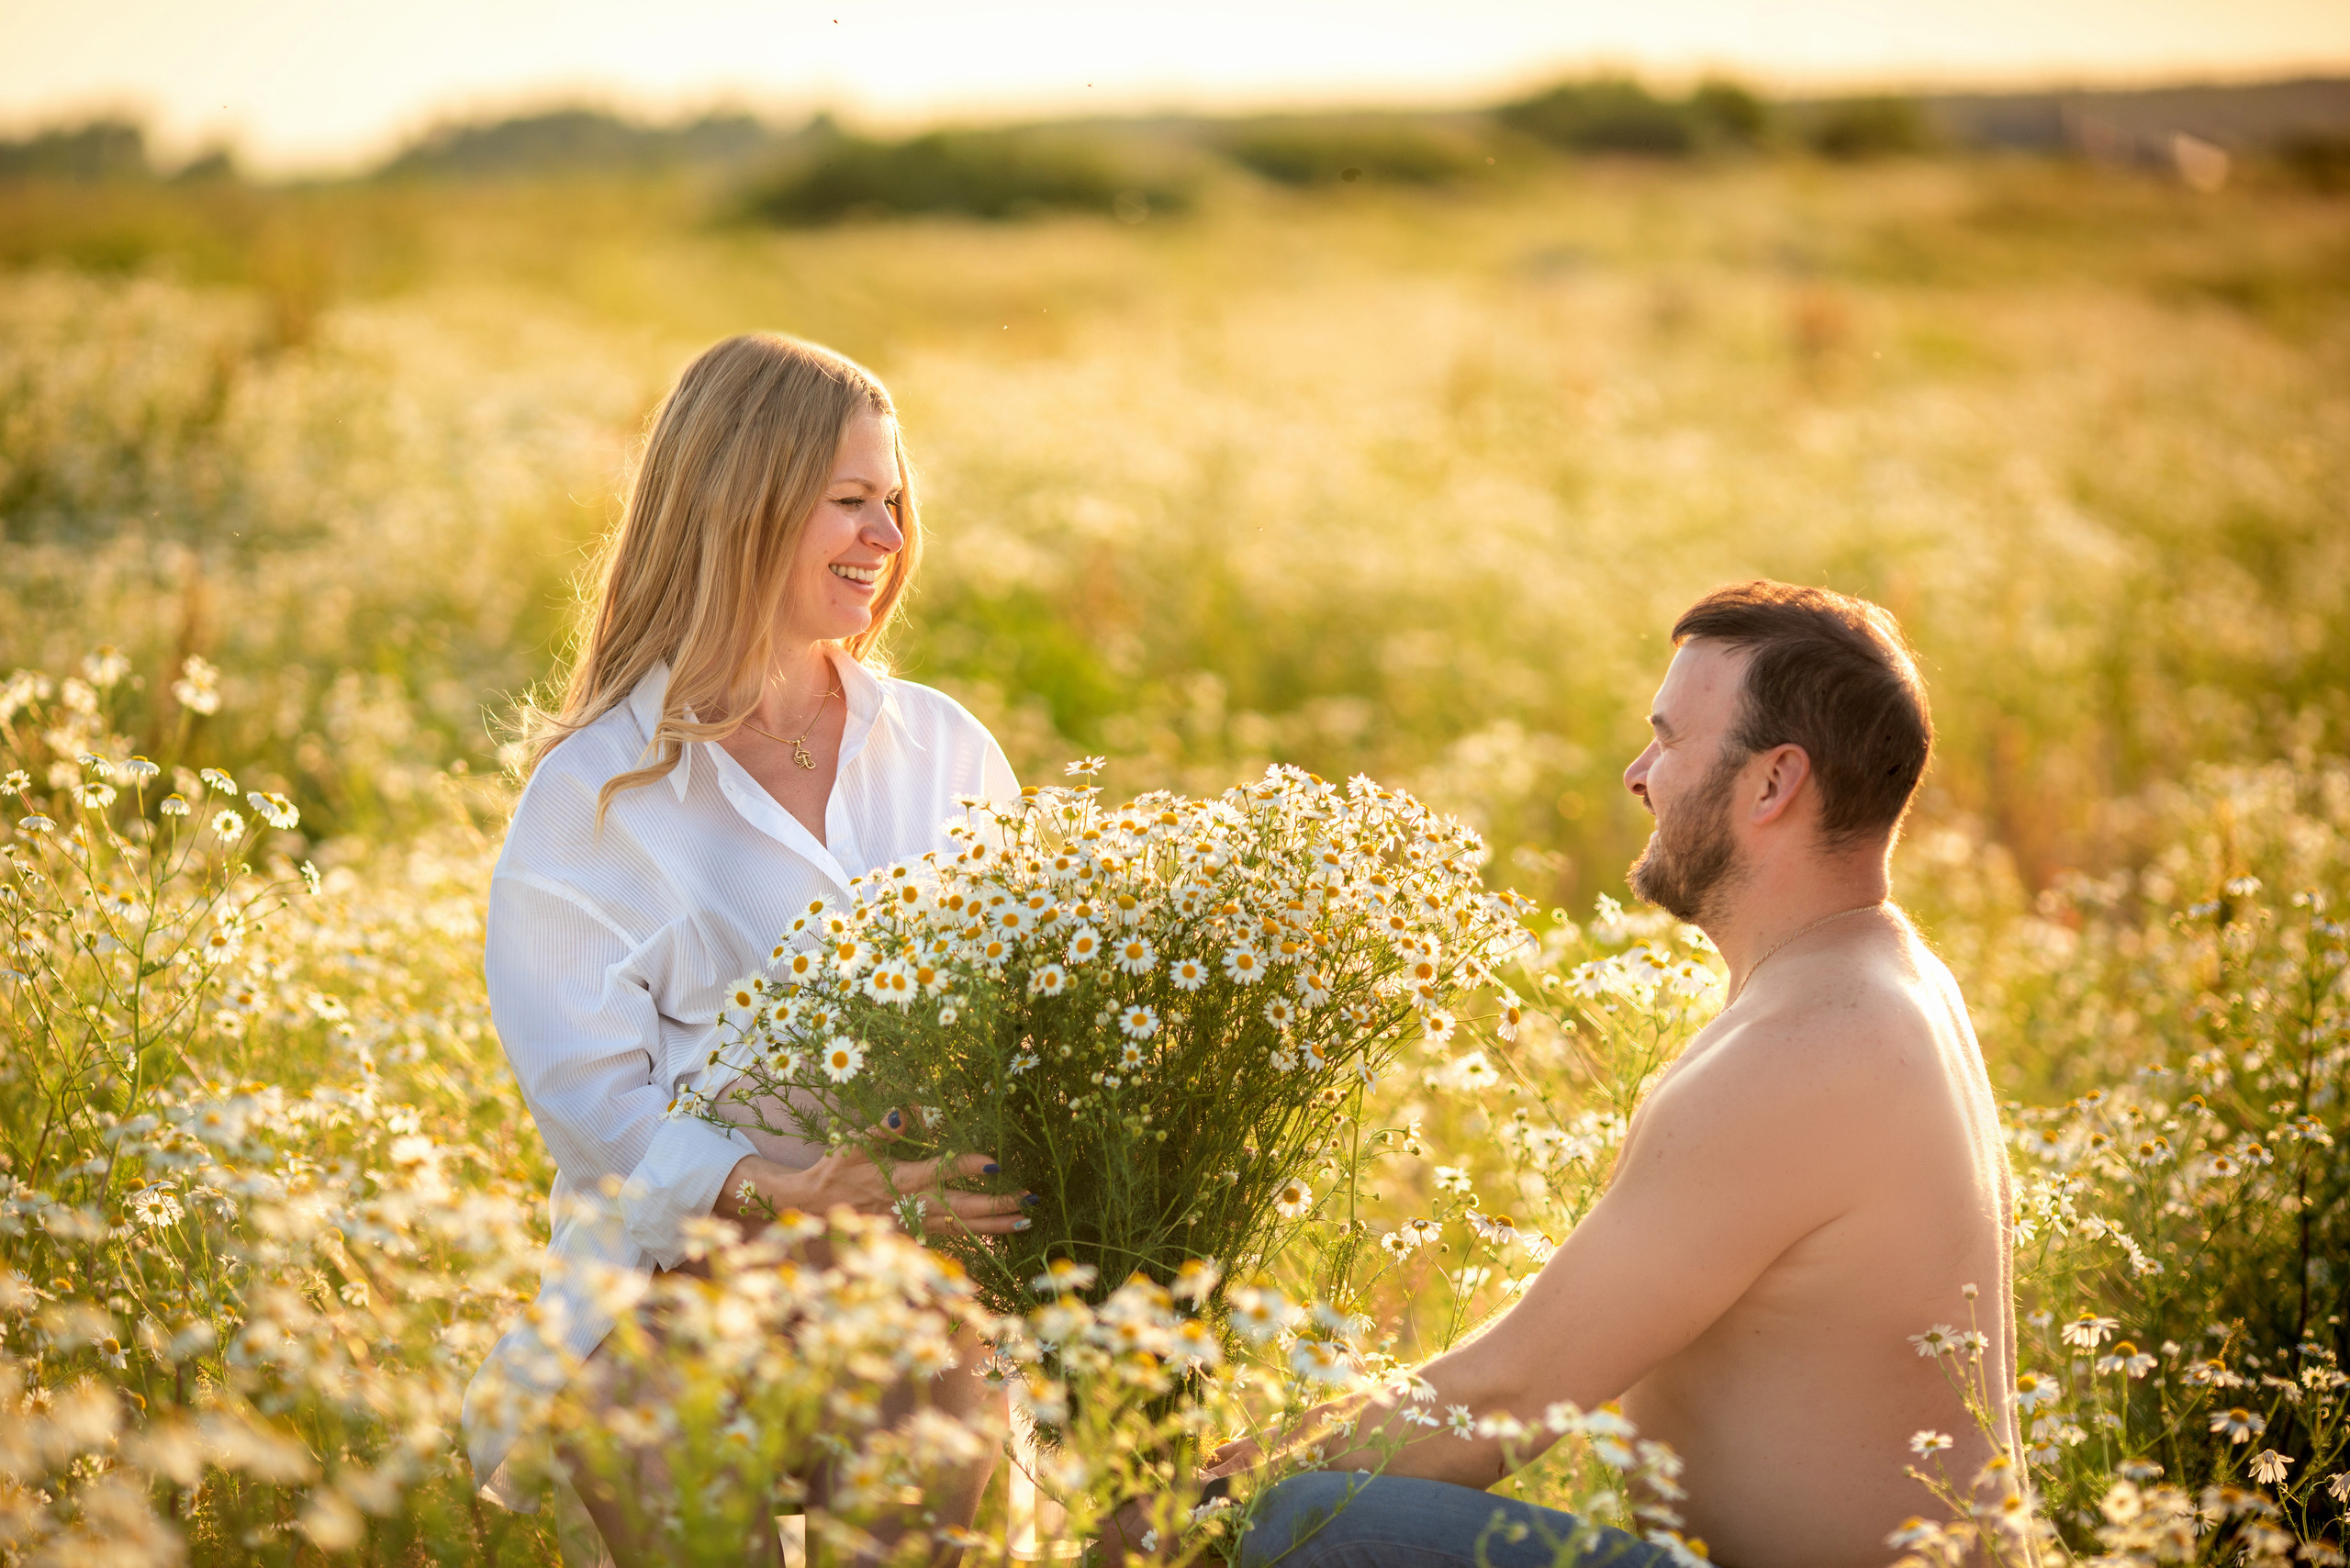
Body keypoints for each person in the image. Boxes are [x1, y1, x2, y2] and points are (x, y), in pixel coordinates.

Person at [1195, 582, 2020, 1568]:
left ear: (1772, 784)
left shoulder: (1816, 1043)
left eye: (1669, 740)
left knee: (1304, 1528)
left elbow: (1507, 1397)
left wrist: (1204, 1500)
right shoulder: (1874, 984)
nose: (1639, 774)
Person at [458, 333, 1029, 1566]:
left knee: (931, 1401)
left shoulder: (942, 749)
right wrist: (768, 1194)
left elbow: (1021, 1005)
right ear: (742, 507)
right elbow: (586, 1096)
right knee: (665, 1436)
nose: (886, 537)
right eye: (848, 503)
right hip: (673, 1275)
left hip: (909, 1270)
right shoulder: (601, 785)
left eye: (894, 502)